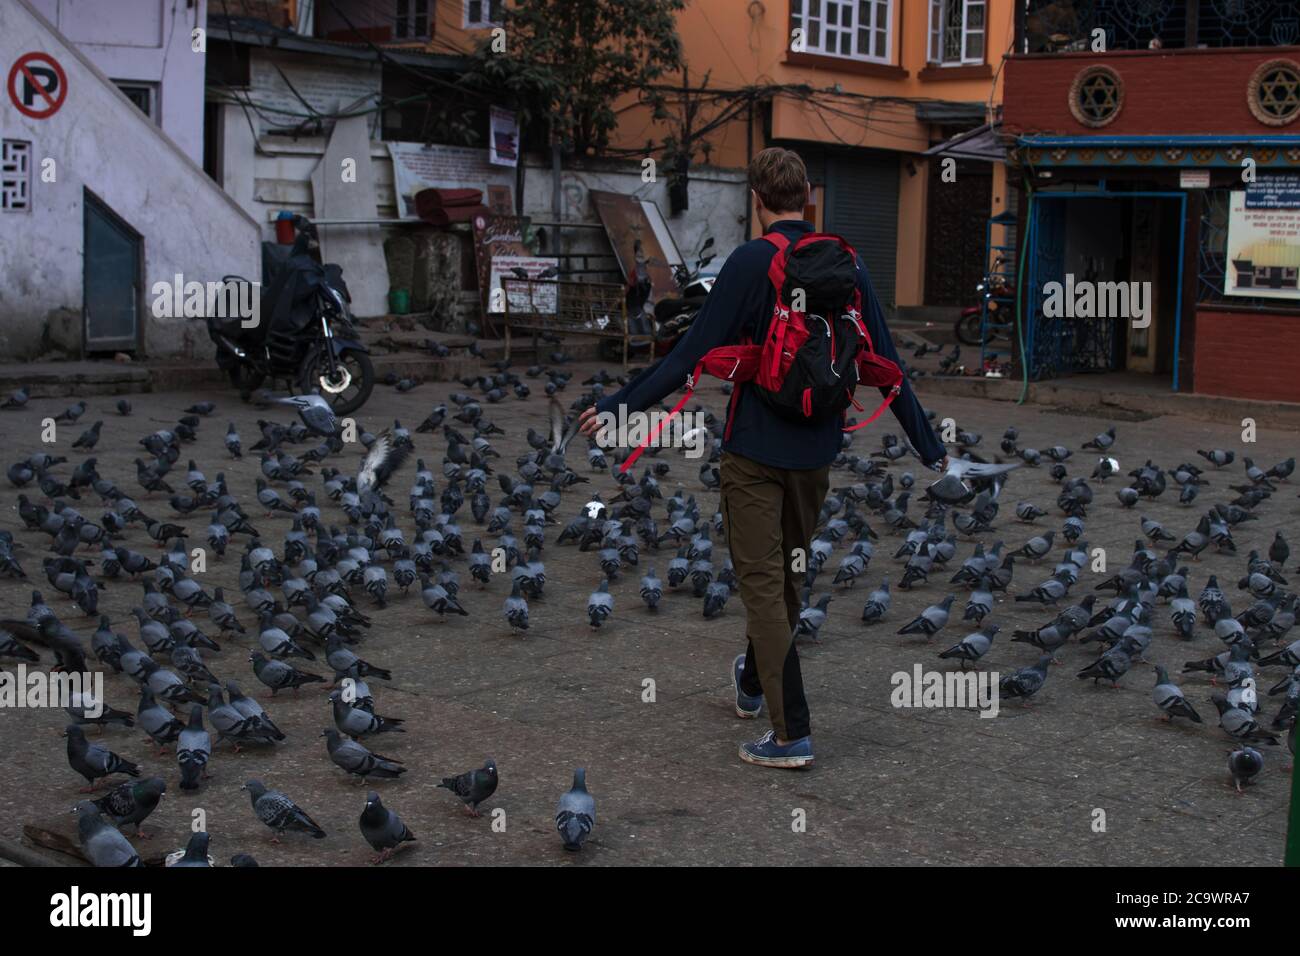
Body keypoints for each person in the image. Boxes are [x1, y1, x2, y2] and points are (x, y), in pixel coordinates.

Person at [578, 147, 947, 768]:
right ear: (810, 199)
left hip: (753, 451)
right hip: (817, 453)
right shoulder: (845, 263)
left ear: (757, 202)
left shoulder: (750, 262)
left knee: (761, 589)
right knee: (788, 580)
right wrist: (931, 448)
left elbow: (688, 354)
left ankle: (791, 732)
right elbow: (887, 368)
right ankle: (753, 685)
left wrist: (617, 407)